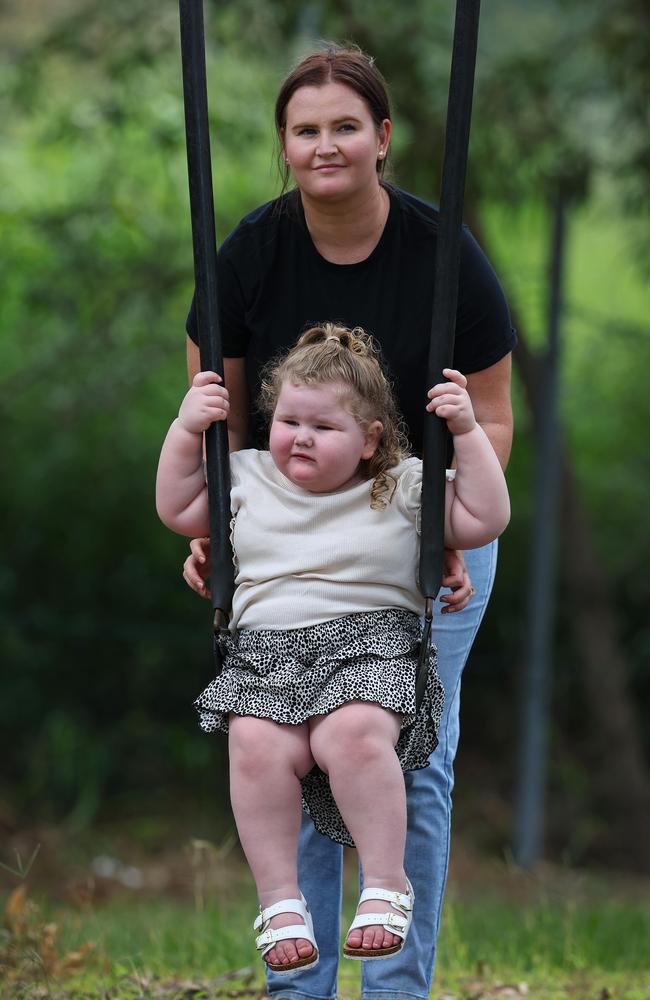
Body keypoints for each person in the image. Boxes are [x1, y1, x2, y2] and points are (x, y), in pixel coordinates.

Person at [182, 45, 515, 1000]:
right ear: (284, 146)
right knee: (286, 742)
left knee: (403, 754)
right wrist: (218, 522)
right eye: (305, 130)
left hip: (418, 534)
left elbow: (489, 414)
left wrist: (452, 530)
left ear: (382, 138)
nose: (325, 146)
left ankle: (397, 984)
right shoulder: (250, 253)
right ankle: (303, 985)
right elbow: (219, 414)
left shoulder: (441, 253)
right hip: (288, 541)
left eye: (344, 126)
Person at [157, 324, 510, 973]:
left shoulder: (401, 484)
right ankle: (280, 899)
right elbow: (179, 509)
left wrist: (467, 434)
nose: (301, 436)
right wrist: (186, 430)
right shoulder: (248, 475)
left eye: (324, 426)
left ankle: (384, 882)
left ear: (371, 438)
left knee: (348, 737)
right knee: (255, 744)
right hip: (267, 656)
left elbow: (484, 518)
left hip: (368, 651)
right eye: (289, 419)